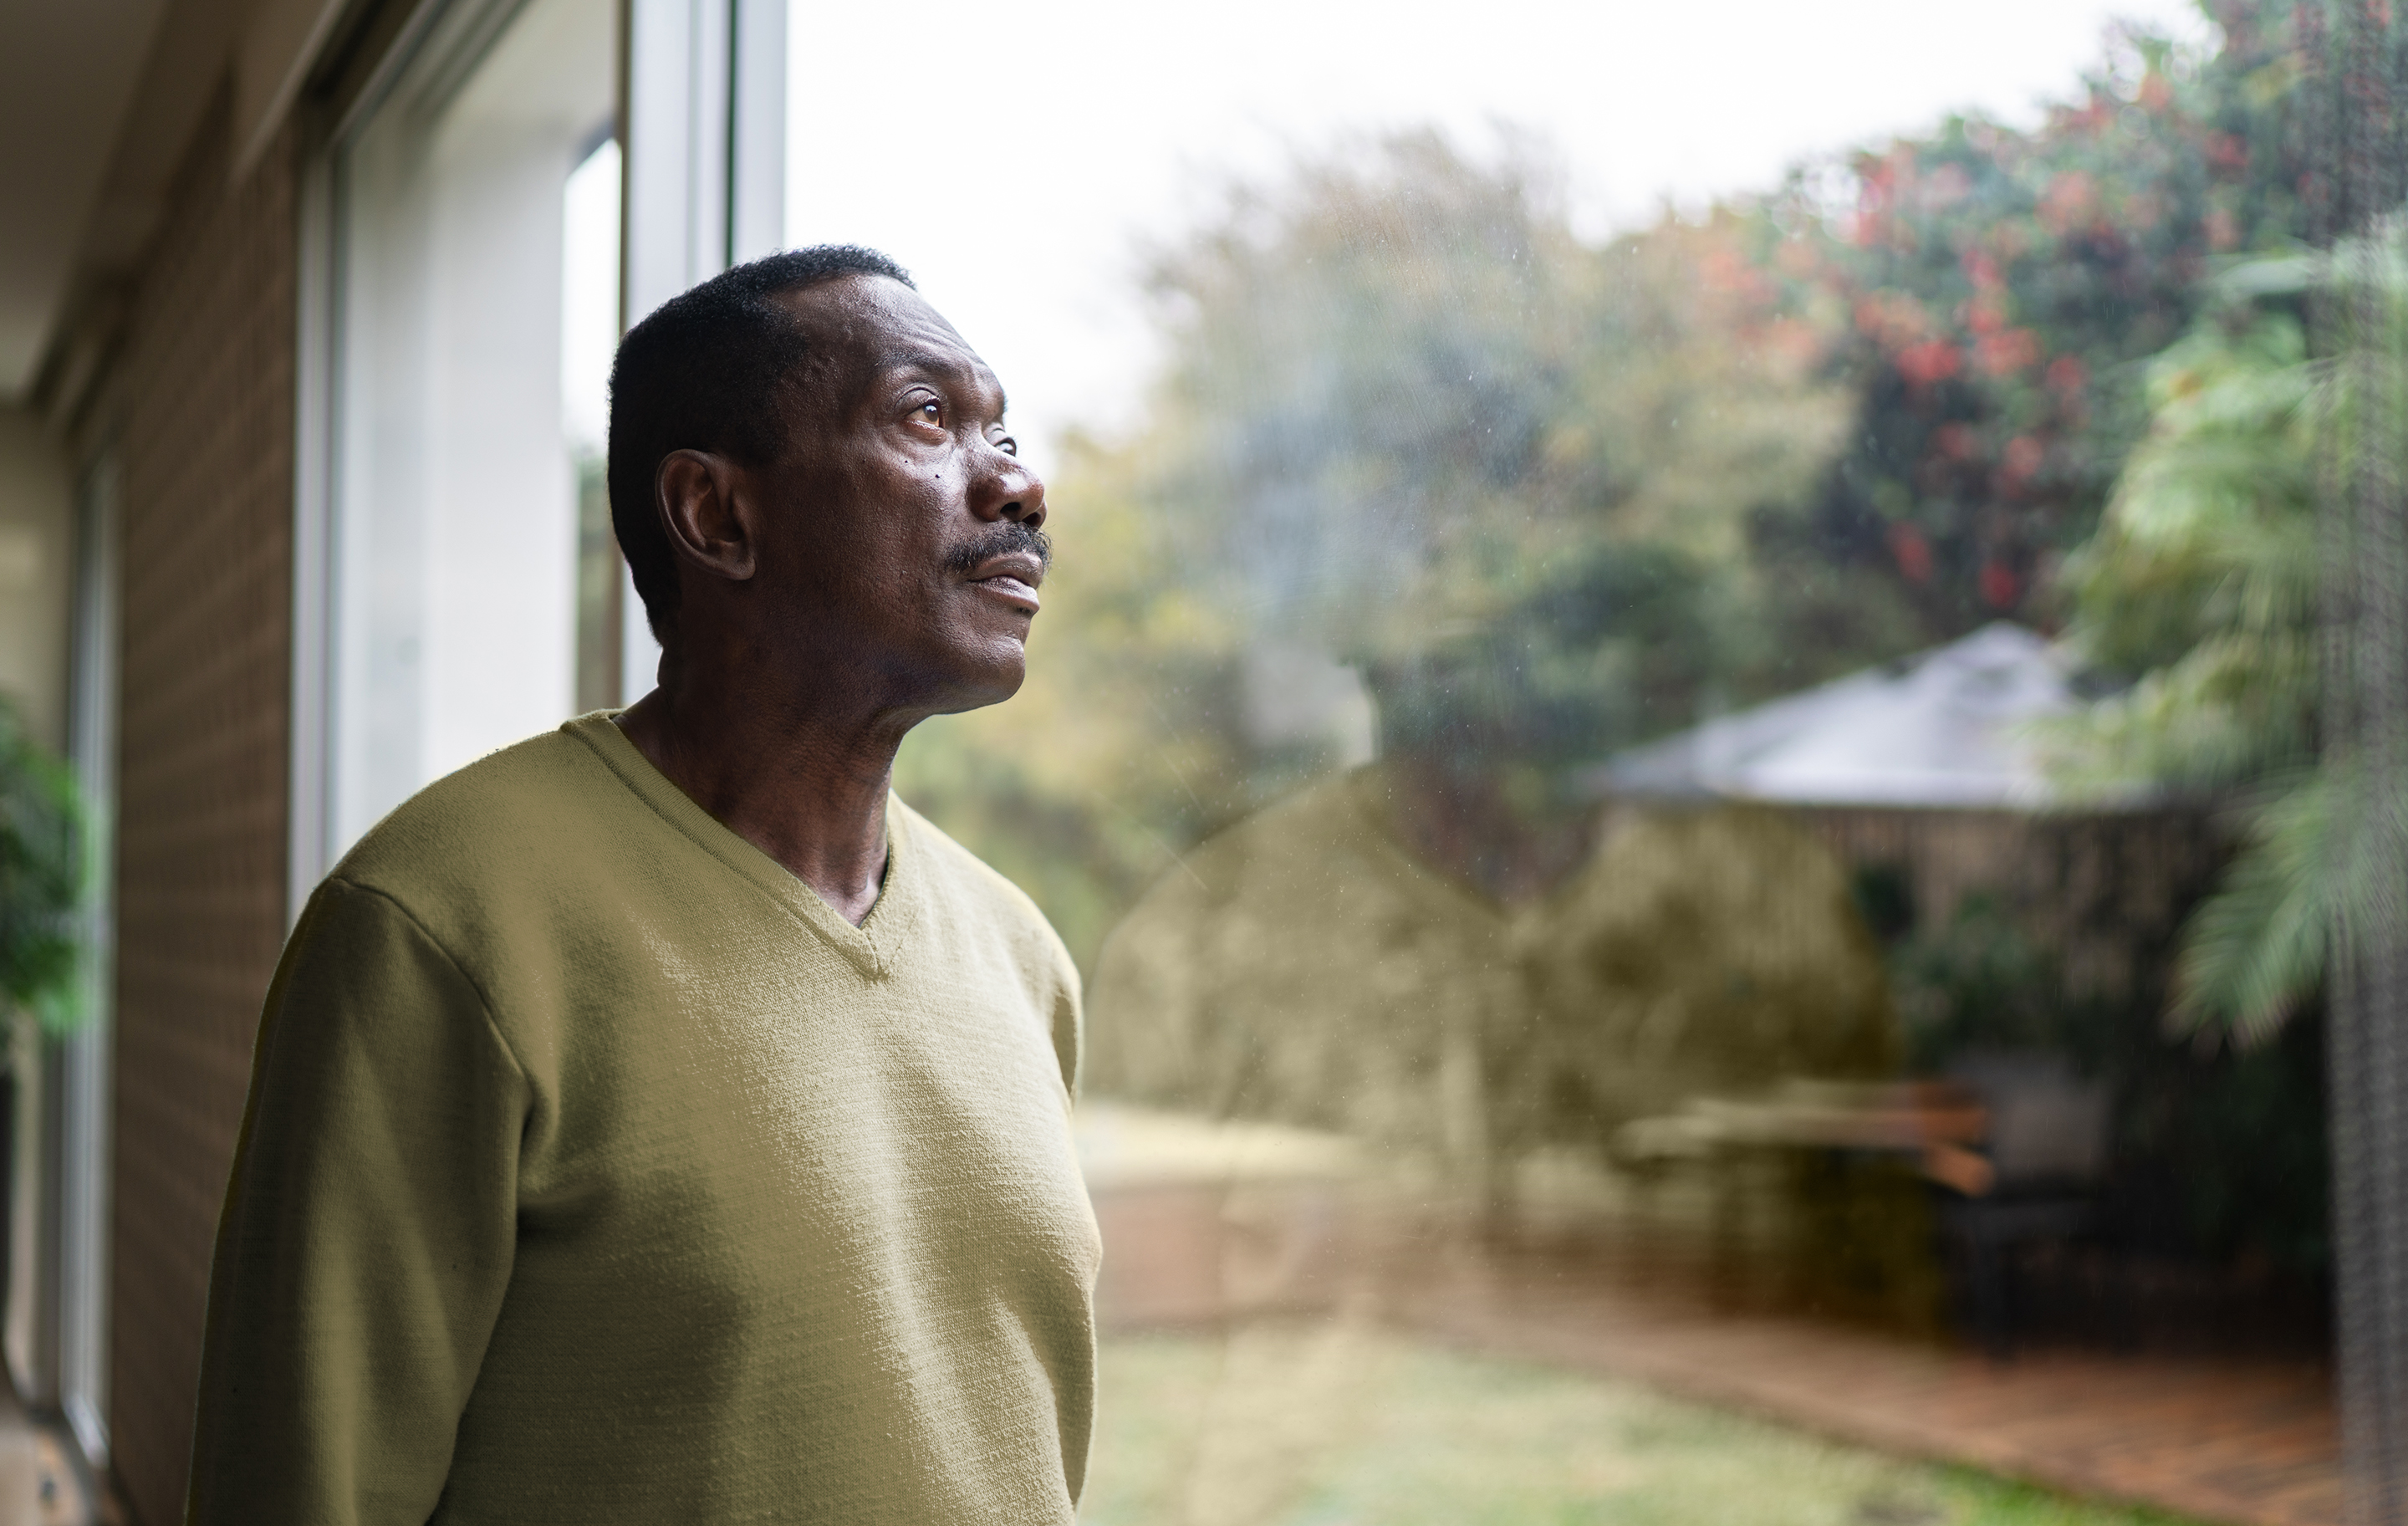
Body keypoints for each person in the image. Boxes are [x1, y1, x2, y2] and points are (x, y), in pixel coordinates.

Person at [186, 247, 1099, 1524]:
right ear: (717, 516)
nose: (1016, 479)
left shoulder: (1022, 958)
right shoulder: (438, 925)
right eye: (929, 418)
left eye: (1002, 425)